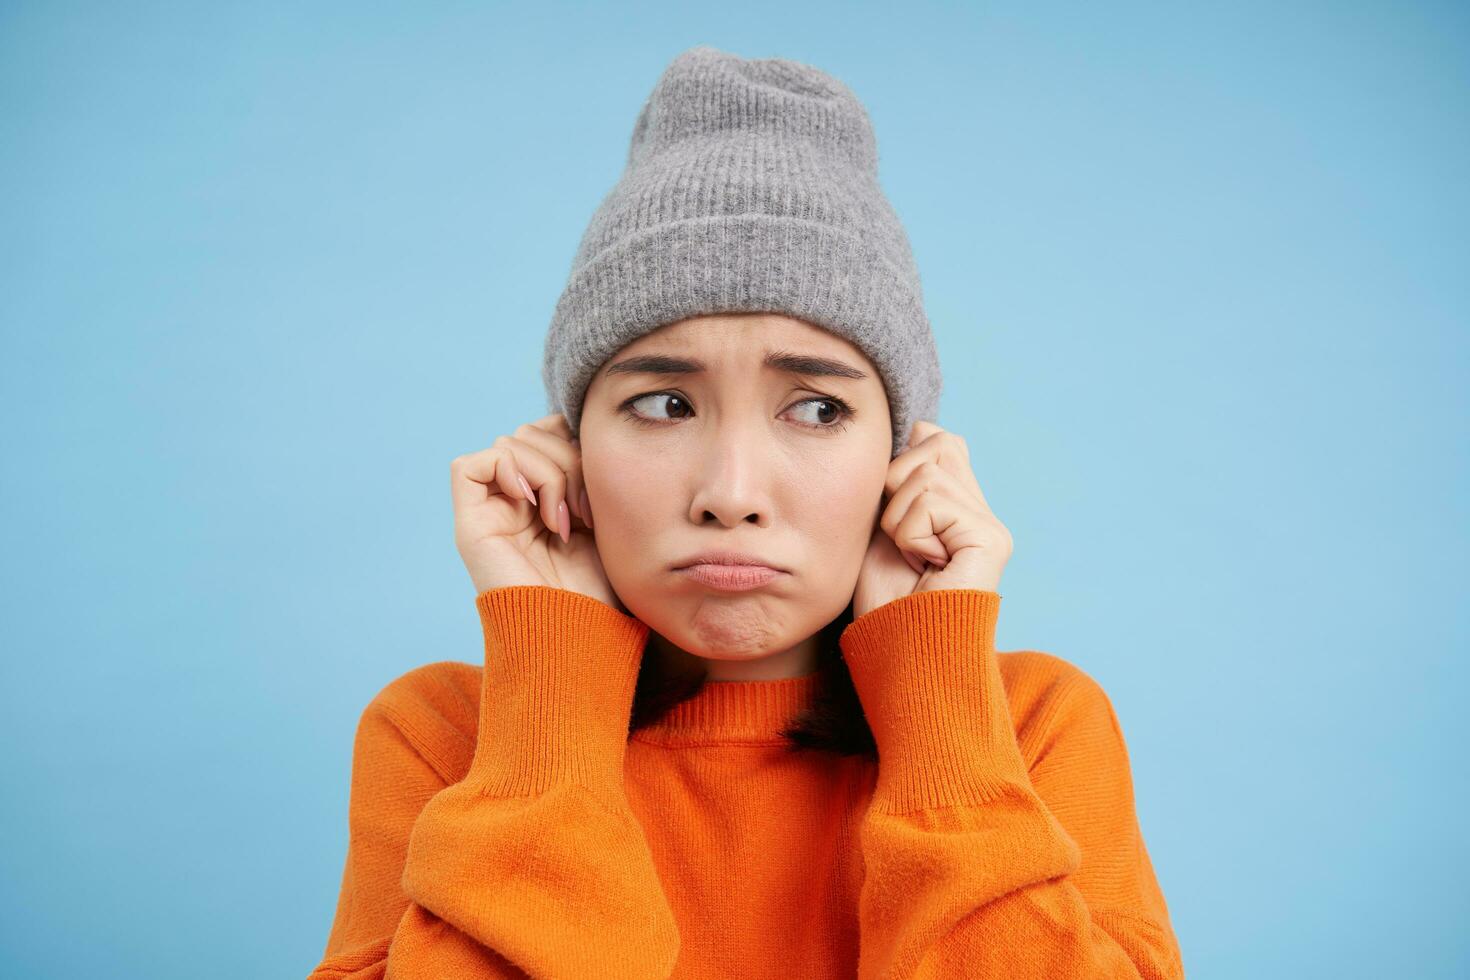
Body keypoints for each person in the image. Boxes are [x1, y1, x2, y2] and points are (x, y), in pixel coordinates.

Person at [307, 45, 1185, 979]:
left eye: (817, 408)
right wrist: (552, 694)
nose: (731, 494)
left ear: (902, 457)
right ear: (569, 451)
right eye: (663, 404)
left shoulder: (1026, 726)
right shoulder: (442, 734)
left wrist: (937, 707)